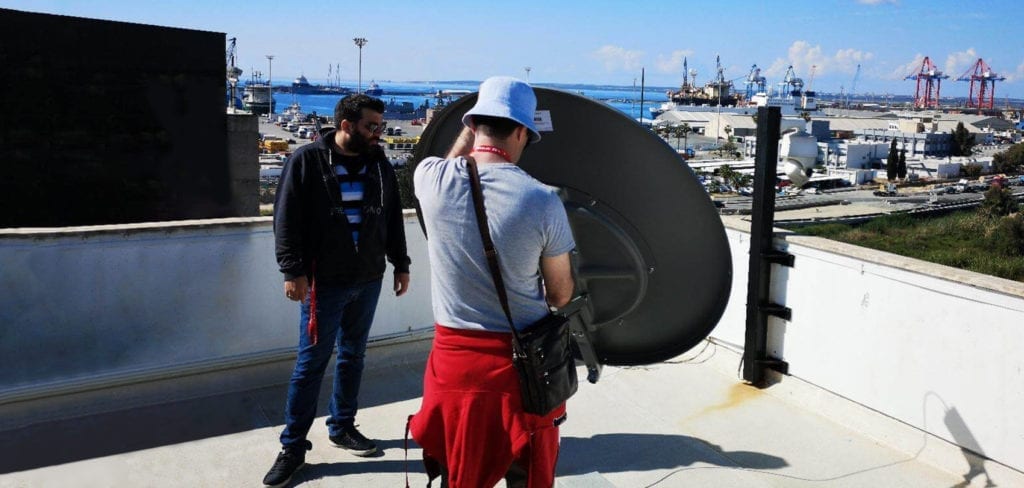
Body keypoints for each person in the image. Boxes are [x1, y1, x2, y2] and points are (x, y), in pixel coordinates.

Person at [409, 76, 576, 487]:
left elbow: (454, 160)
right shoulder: (541, 200)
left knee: (458, 469)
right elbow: (559, 294)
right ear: (521, 131)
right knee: (525, 471)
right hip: (519, 371)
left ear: (473, 124)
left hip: (453, 363)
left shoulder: (430, 179)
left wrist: (470, 127)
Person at [263, 94, 412, 487]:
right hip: (323, 283)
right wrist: (292, 271)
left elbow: (392, 214)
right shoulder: (307, 160)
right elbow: (286, 220)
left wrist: (402, 262)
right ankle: (293, 447)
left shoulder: (378, 162)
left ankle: (342, 425)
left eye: (380, 126)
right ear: (346, 125)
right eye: (371, 126)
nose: (379, 133)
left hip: (368, 278)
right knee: (310, 365)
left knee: (353, 357)